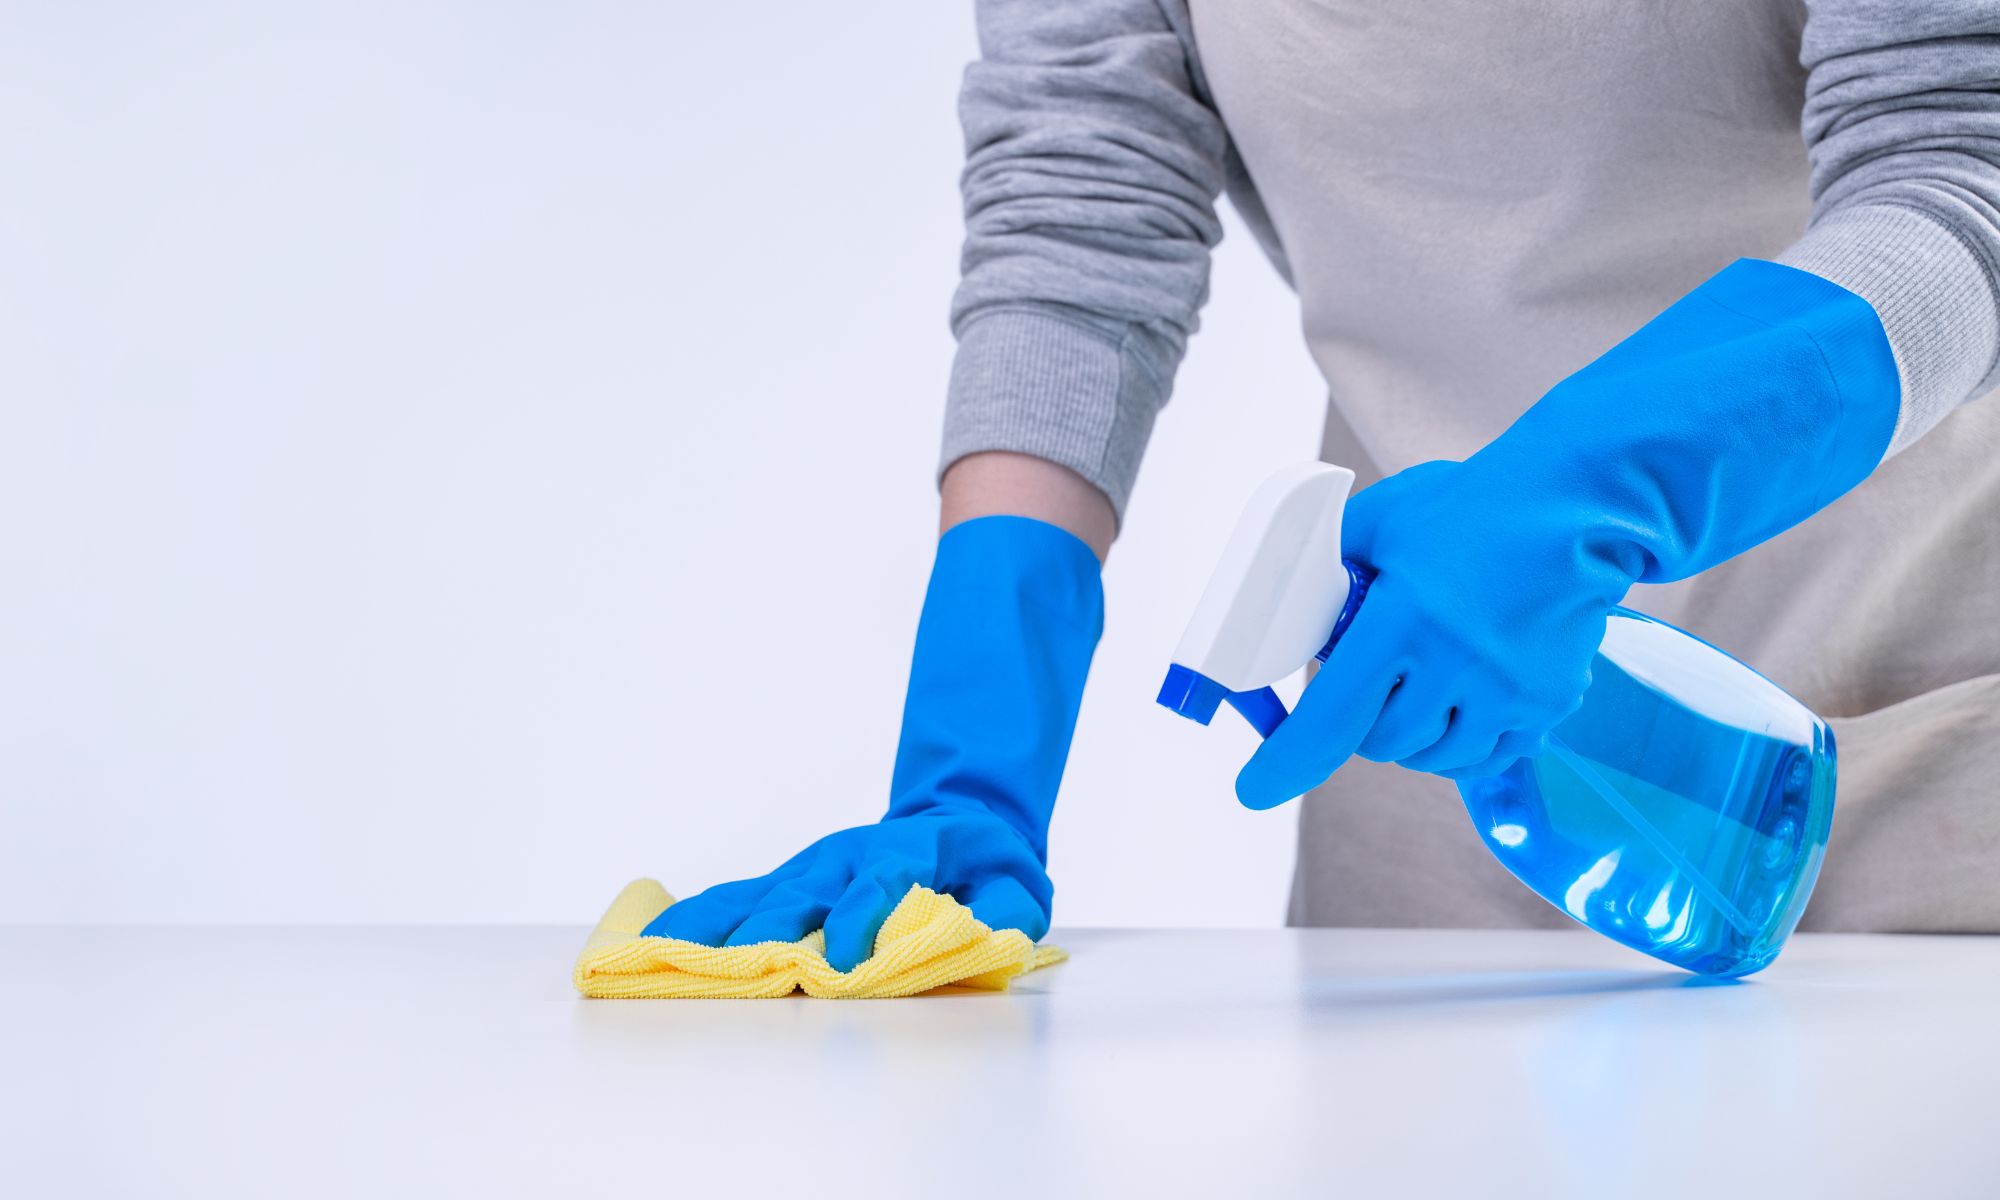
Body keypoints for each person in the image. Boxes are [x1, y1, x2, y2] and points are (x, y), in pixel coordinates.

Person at [651, 1, 2000, 966]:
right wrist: (971, 768)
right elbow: (1075, 229)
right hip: (1436, 767)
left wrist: (1585, 485)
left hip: (1899, 738)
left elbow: (1960, 163)